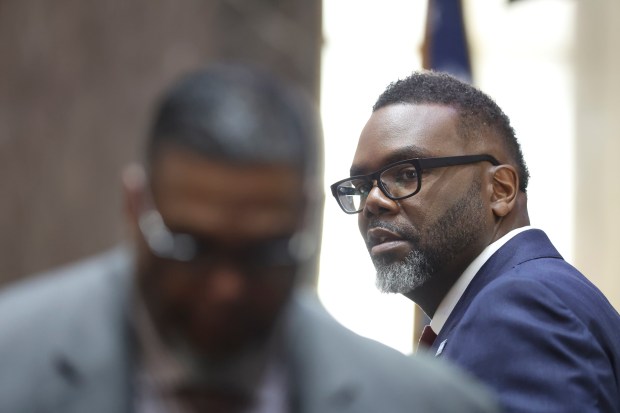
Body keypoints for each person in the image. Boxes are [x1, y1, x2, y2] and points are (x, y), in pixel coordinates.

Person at [0, 64, 498, 413]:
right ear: (135, 208)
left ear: (304, 220)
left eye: (262, 252)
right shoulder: (14, 363)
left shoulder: (426, 404)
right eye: (190, 246)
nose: (226, 288)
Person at [330, 70, 620, 413]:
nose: (373, 201)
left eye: (407, 174)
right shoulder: (502, 304)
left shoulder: (518, 306)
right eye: (362, 186)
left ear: (501, 190)